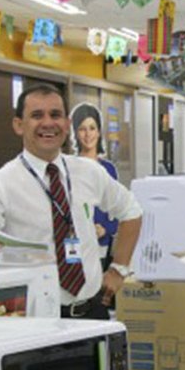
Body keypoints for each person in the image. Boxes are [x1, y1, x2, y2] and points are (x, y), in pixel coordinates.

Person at [0, 83, 142, 320]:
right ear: (18, 125)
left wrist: (118, 270)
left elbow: (131, 211)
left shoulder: (88, 172)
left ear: (66, 124)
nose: (48, 123)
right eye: (36, 115)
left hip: (92, 313)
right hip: (36, 322)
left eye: (55, 115)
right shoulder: (0, 183)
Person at [71, 102, 119, 271]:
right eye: (82, 129)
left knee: (98, 294)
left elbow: (117, 211)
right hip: (75, 246)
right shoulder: (68, 168)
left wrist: (105, 229)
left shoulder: (108, 170)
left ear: (99, 131)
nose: (88, 134)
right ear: (76, 133)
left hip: (101, 246)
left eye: (92, 128)